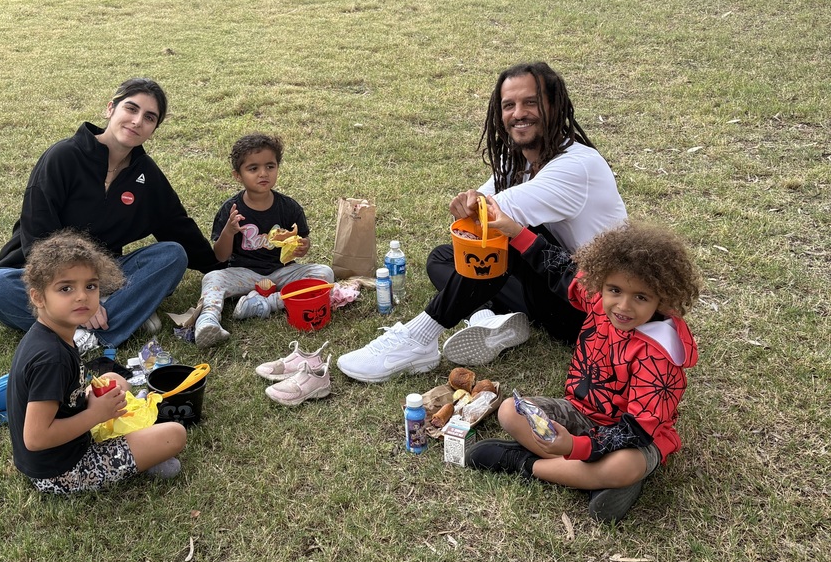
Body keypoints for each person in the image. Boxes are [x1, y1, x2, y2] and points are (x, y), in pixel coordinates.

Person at [337, 62, 627, 383]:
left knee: (500, 236)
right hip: (552, 294)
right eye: (509, 105)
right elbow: (473, 213)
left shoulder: (578, 165)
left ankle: (419, 339)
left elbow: (488, 217)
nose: (519, 113)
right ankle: (486, 319)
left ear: (554, 105)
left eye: (531, 102)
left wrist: (475, 209)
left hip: (597, 310)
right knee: (443, 257)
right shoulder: (516, 159)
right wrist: (467, 204)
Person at [465, 209, 701, 523]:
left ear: (663, 301)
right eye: (615, 290)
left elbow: (635, 432)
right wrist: (513, 231)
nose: (623, 306)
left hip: (635, 439)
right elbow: (559, 268)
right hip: (580, 412)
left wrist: (574, 445)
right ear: (600, 283)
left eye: (641, 297)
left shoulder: (660, 357)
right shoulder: (597, 298)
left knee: (623, 466)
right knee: (510, 411)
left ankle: (525, 463)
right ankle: (589, 477)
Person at [0, 78, 218, 350]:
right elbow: (38, 236)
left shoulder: (145, 174)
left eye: (149, 118)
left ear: (153, 129)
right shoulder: (63, 157)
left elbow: (177, 226)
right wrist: (80, 297)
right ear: (110, 109)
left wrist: (222, 268)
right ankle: (109, 322)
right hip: (47, 277)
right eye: (131, 109)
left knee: (172, 255)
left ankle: (88, 330)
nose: (137, 121)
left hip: (103, 278)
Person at [7, 230, 187, 494]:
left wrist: (92, 400)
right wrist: (95, 414)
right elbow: (35, 438)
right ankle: (144, 457)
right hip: (63, 473)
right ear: (38, 297)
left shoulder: (51, 335)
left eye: (90, 286)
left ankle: (138, 446)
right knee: (174, 434)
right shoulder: (51, 358)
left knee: (114, 381)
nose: (82, 296)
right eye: (66, 288)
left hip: (64, 446)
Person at [194, 133, 334, 347]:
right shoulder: (231, 210)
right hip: (245, 274)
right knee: (212, 278)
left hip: (282, 273)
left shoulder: (289, 208)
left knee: (324, 273)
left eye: (270, 166)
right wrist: (229, 231)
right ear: (238, 175)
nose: (263, 173)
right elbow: (220, 256)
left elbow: (303, 244)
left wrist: (303, 246)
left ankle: (267, 303)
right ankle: (208, 320)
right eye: (253, 168)